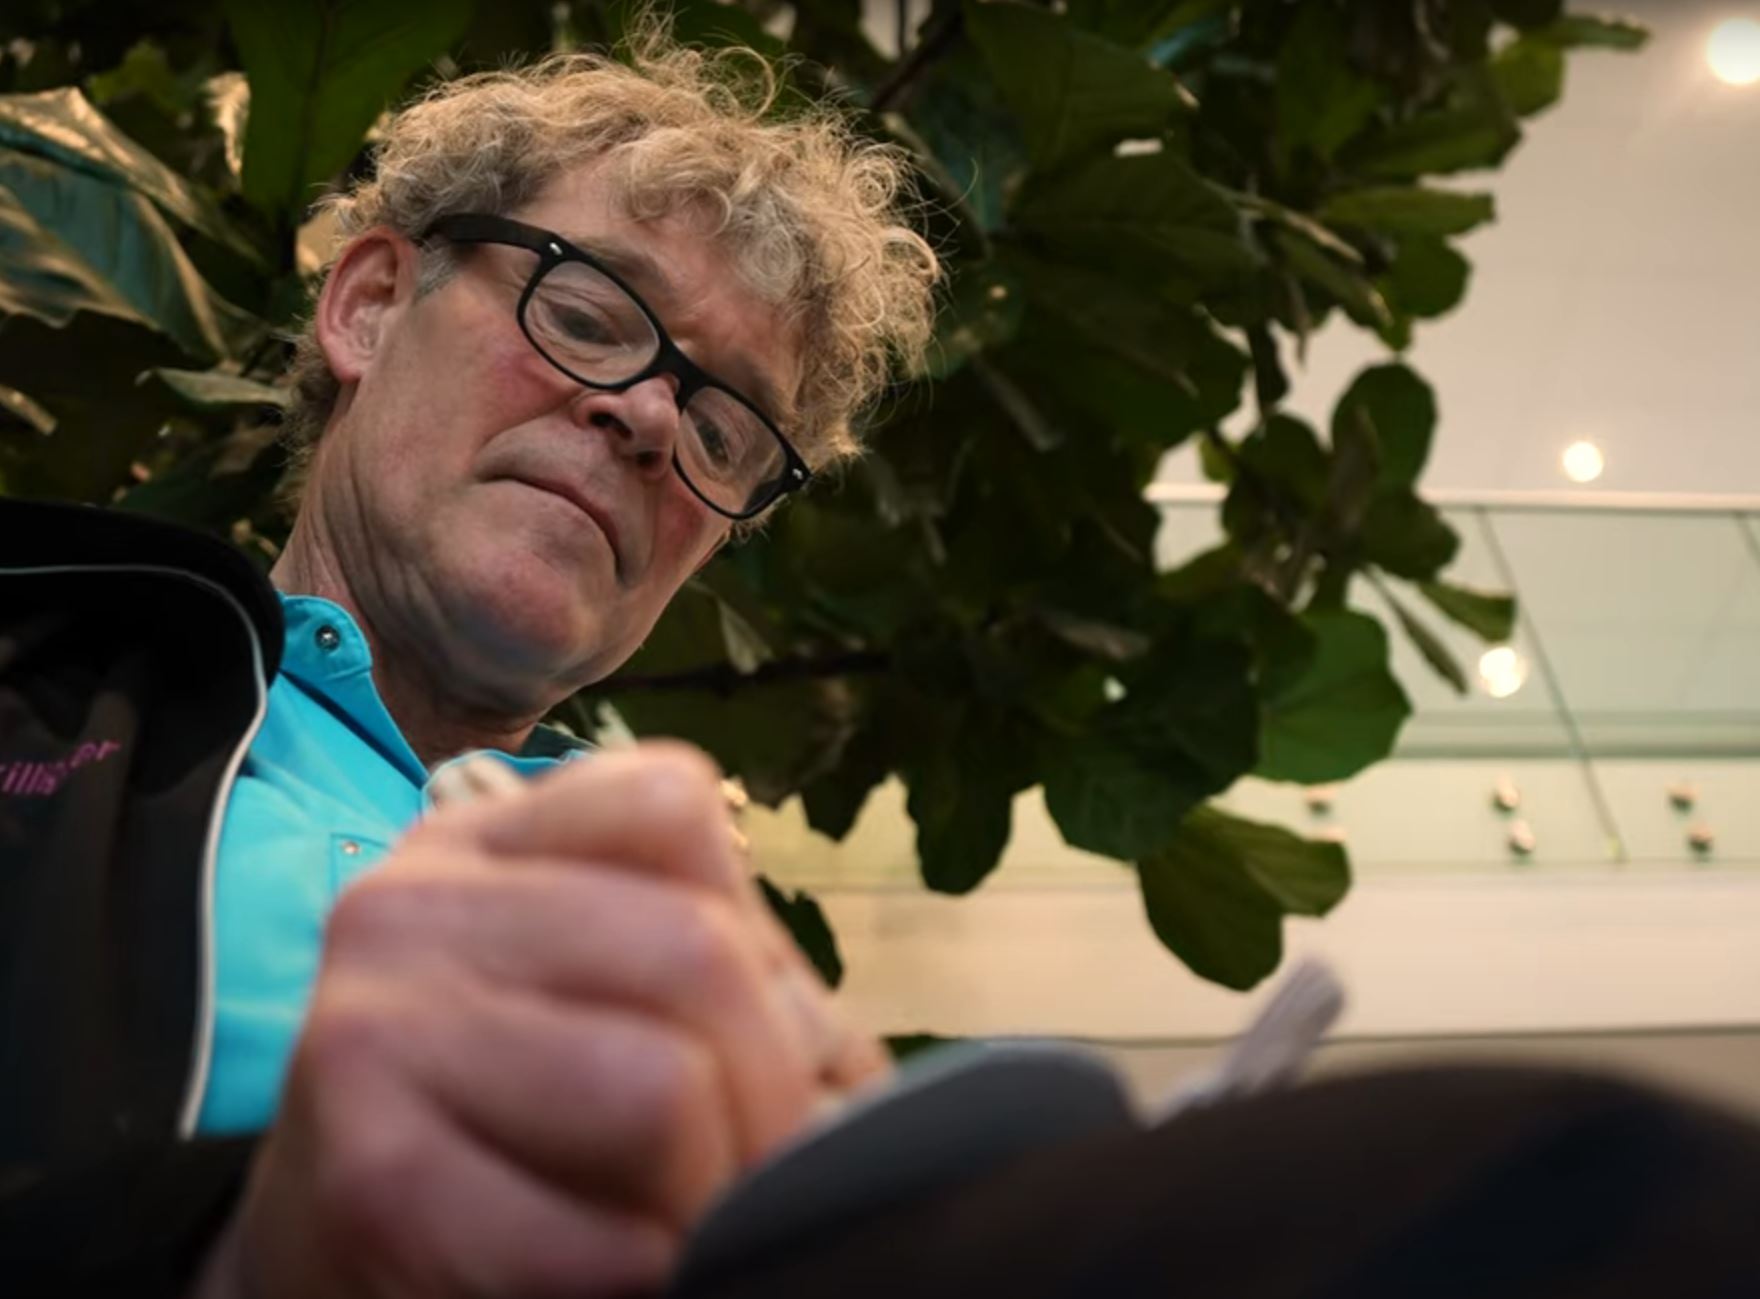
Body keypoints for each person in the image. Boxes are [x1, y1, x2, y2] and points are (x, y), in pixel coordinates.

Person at [7, 19, 1760, 1299]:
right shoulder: (35, 686)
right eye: (589, 313)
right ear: (371, 302)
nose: (645, 420)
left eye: (723, 426)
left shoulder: (690, 903)